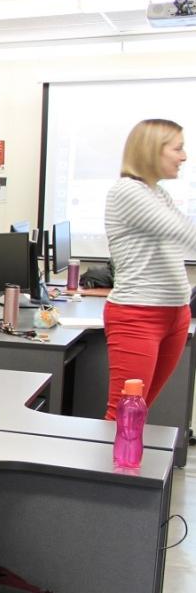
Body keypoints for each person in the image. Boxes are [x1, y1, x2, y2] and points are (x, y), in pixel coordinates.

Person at [103, 118, 194, 420]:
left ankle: (124, 467)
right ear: (153, 150)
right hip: (138, 315)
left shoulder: (158, 193)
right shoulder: (127, 192)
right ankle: (108, 467)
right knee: (124, 414)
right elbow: (188, 235)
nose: (184, 156)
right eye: (177, 149)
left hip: (175, 314)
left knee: (138, 412)